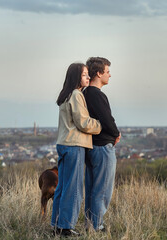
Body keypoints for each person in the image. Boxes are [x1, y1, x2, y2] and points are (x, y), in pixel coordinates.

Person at [52, 63, 102, 237]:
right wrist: (100, 125)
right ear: (76, 77)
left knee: (63, 187)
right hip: (74, 145)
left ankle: (57, 225)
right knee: (74, 189)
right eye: (85, 75)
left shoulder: (65, 95)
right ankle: (66, 227)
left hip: (63, 144)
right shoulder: (76, 94)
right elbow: (83, 123)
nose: (88, 78)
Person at [83, 57, 121, 231]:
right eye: (107, 72)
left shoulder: (84, 94)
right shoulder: (97, 95)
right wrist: (116, 133)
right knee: (103, 190)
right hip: (103, 147)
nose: (110, 75)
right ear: (98, 73)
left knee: (92, 189)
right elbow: (107, 119)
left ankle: (90, 224)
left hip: (91, 147)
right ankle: (97, 226)